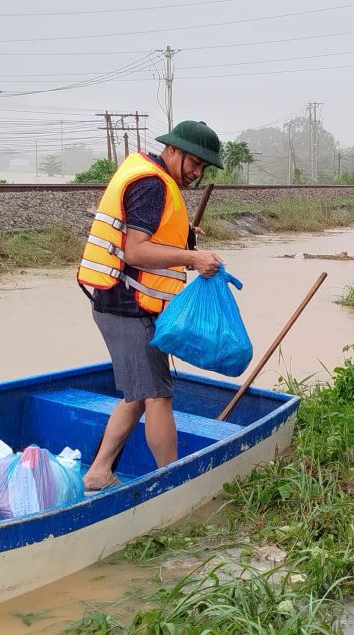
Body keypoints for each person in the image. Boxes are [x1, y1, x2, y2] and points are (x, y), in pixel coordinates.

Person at [77, 120, 225, 492]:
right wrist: (191, 258)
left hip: (121, 301)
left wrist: (184, 236)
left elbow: (146, 233)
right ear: (172, 150)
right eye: (194, 162)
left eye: (203, 168)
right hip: (128, 305)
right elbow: (136, 250)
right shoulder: (151, 184)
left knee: (140, 395)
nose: (197, 172)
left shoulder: (149, 175)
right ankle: (173, 485)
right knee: (158, 396)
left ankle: (98, 472)